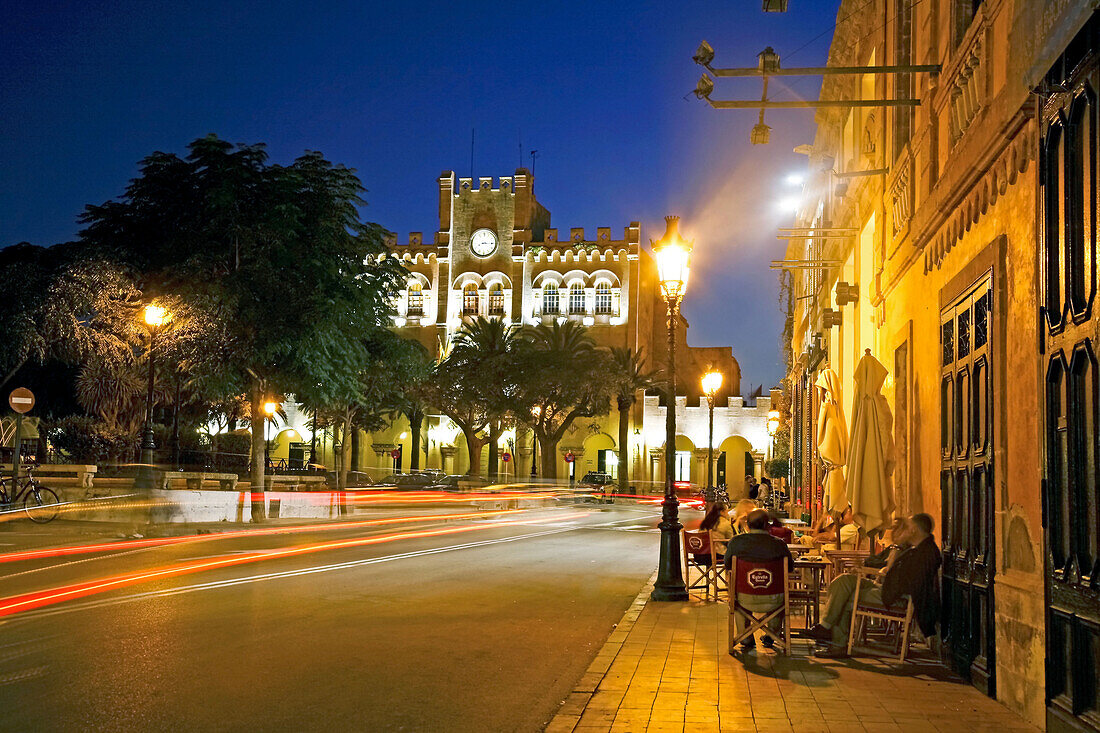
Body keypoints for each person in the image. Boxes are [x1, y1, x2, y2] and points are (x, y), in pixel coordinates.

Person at [809, 513, 942, 657]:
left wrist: (895, 550)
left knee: (847, 596)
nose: (904, 529)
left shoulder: (925, 553)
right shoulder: (917, 548)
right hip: (887, 588)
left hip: (895, 595)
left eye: (907, 527)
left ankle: (837, 644)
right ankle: (825, 627)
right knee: (843, 581)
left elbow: (899, 577)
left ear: (913, 530)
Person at [724, 509, 795, 651]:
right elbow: (790, 568)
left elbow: (727, 565)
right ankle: (772, 635)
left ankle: (745, 637)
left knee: (736, 600)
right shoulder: (779, 545)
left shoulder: (736, 543)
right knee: (779, 599)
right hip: (774, 599)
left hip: (744, 597)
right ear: (766, 525)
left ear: (748, 525)